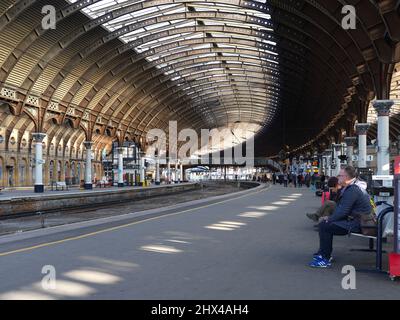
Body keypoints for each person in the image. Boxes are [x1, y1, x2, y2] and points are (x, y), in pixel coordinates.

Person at [309, 166, 372, 268]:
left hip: (359, 223)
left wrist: (329, 218)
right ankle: (323, 253)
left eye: (340, 175)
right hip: (358, 220)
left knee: (325, 226)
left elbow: (343, 211)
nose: (338, 177)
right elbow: (341, 208)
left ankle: (325, 259)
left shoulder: (353, 190)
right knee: (324, 224)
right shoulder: (351, 187)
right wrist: (329, 218)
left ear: (346, 177)